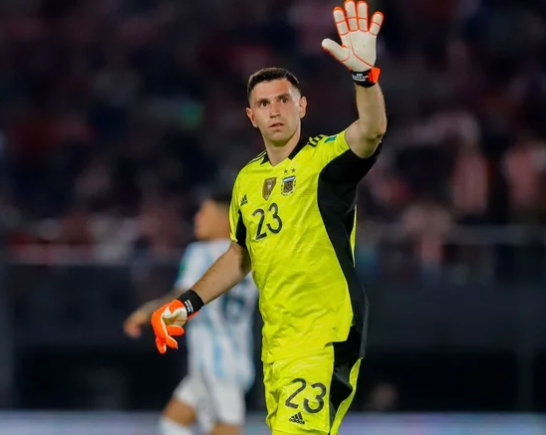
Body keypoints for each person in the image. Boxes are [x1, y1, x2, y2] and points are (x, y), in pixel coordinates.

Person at [150, 2, 386, 434]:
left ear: (302, 107)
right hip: (278, 343)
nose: (275, 110)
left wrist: (363, 76)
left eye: (283, 100)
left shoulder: (325, 161)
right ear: (251, 115)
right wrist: (186, 304)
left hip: (324, 332)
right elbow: (240, 256)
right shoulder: (247, 180)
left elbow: (370, 131)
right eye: (264, 103)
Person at [123, 191, 259, 435]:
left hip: (214, 360)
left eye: (204, 212)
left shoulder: (202, 253)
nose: (197, 218)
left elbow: (183, 299)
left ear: (225, 218)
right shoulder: (252, 254)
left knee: (227, 427)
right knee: (172, 423)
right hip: (237, 356)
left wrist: (147, 314)